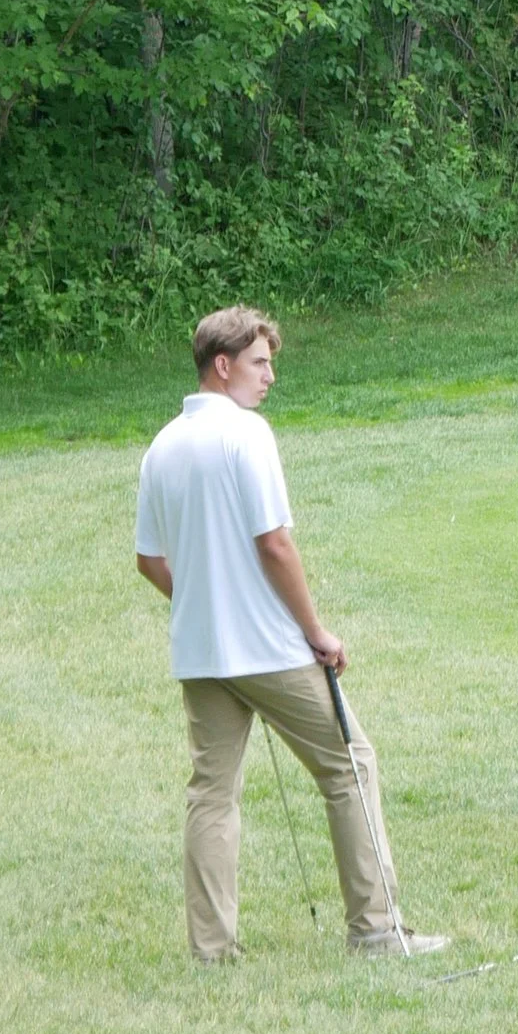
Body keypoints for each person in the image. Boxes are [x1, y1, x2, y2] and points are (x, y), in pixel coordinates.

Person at [134, 304, 443, 964]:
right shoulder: (248, 434)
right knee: (349, 763)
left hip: (201, 652)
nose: (270, 375)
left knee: (211, 792)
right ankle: (377, 931)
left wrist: (200, 603)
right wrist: (317, 630)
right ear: (224, 364)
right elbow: (274, 544)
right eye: (260, 361)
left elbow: (150, 561)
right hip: (267, 648)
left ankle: (212, 950)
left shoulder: (161, 445)